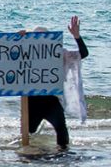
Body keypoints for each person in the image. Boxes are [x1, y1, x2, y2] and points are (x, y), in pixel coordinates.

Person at [22, 16, 89, 149]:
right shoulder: (25, 53)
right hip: (32, 99)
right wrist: (16, 39)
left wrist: (77, 36)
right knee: (29, 131)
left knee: (62, 136)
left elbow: (83, 54)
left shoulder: (59, 53)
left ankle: (63, 157)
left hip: (51, 100)